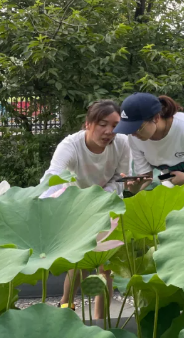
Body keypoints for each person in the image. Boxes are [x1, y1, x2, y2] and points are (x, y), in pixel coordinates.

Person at [40, 100, 131, 317]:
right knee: (78, 264)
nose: (109, 131)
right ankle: (65, 310)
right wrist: (40, 204)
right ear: (88, 124)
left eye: (115, 125)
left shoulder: (122, 143)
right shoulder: (71, 145)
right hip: (75, 207)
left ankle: (101, 322)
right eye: (102, 124)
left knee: (105, 267)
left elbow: (121, 179)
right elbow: (53, 177)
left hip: (107, 204)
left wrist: (100, 196)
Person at [113, 93, 184, 185]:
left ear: (156, 118)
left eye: (137, 128)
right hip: (172, 183)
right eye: (129, 129)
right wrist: (136, 187)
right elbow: (146, 176)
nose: (133, 134)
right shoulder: (134, 138)